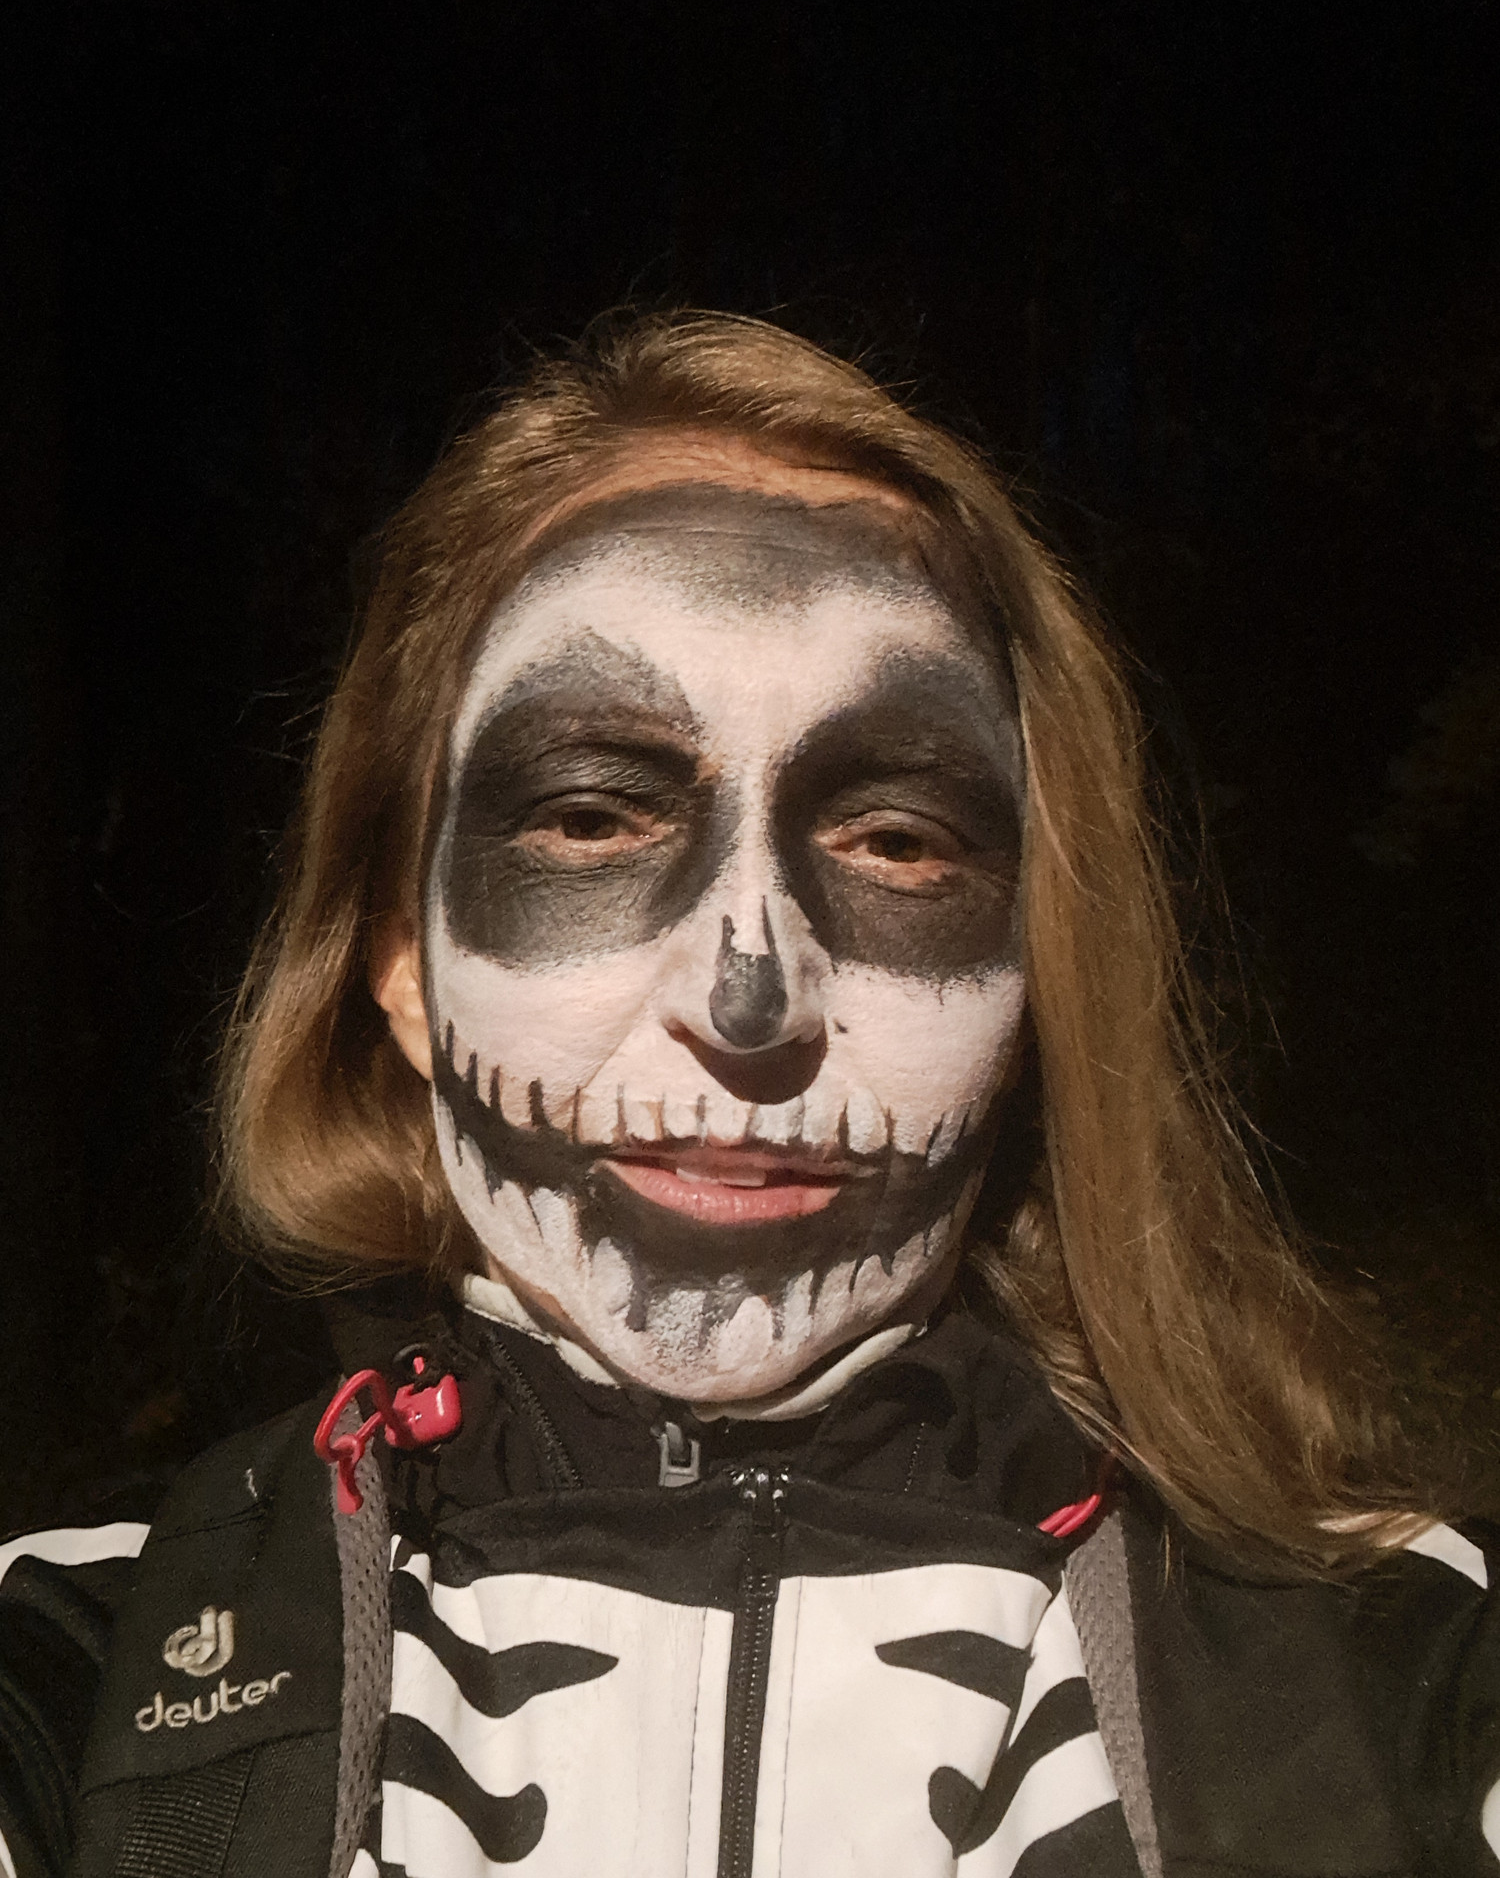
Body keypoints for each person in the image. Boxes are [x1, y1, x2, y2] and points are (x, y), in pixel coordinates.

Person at [1, 312, 1496, 1878]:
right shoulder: (90, 1672)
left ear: (1044, 968)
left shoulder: (1398, 1673)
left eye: (898, 840)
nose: (749, 995)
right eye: (593, 818)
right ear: (401, 960)